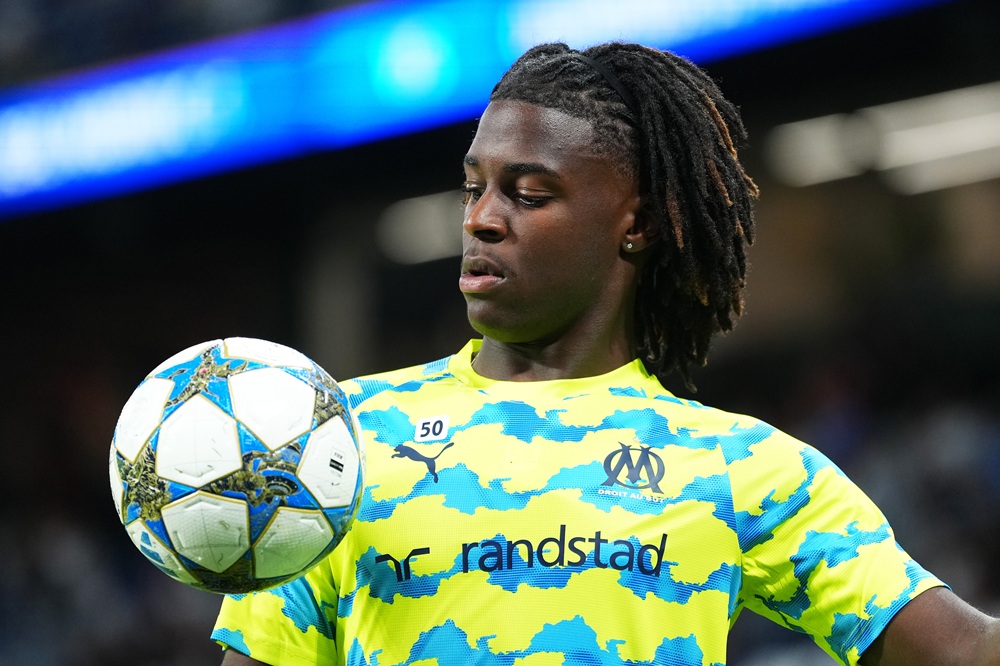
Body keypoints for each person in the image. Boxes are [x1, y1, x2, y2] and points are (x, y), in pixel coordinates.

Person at [212, 41, 1000, 665]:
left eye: (528, 194)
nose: (481, 219)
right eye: (474, 187)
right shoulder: (337, 436)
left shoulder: (741, 467)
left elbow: (962, 650)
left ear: (638, 224)